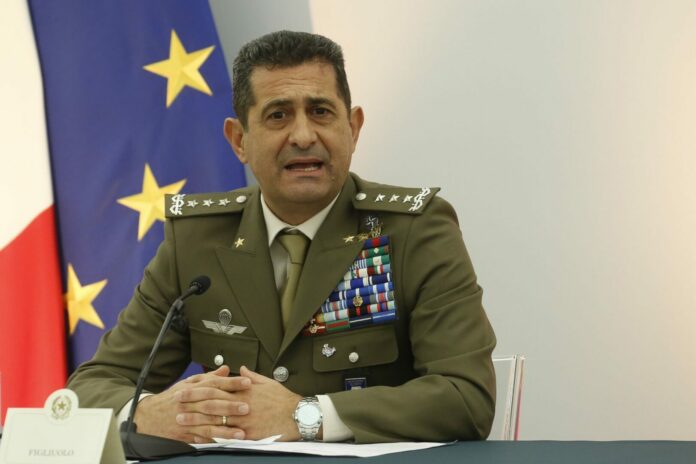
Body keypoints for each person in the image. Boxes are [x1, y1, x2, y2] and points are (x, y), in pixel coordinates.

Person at [67, 30, 496, 444]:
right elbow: (90, 388)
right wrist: (147, 413)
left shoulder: (414, 230)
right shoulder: (197, 240)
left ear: (353, 128)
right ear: (239, 140)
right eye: (278, 115)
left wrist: (307, 415)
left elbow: (466, 397)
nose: (304, 136)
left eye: (321, 112)